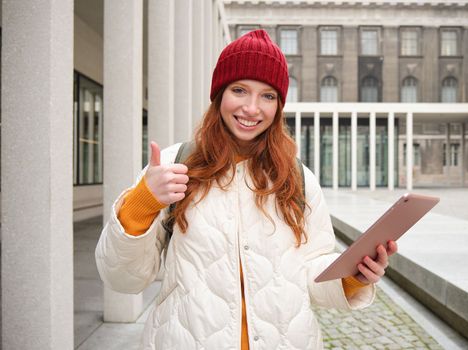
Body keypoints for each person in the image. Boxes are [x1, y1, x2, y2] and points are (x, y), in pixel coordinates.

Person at [95, 29, 397, 350]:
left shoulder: (298, 178)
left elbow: (310, 273)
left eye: (267, 96)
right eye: (240, 90)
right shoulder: (174, 165)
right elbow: (122, 279)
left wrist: (354, 277)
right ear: (219, 95)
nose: (252, 108)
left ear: (278, 106)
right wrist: (142, 203)